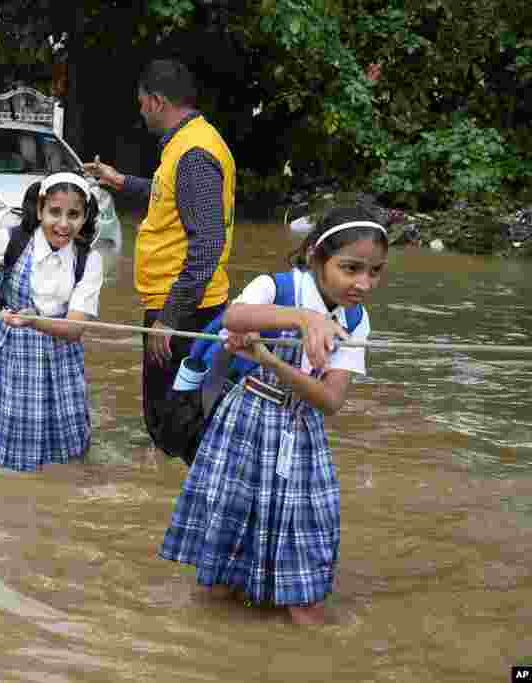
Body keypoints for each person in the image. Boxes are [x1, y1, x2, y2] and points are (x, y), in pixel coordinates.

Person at [159, 206, 388, 625]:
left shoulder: (356, 320)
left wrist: (271, 360)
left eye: (374, 272)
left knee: (308, 539)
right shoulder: (277, 288)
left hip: (302, 430)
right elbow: (234, 316)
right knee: (223, 558)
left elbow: (330, 400)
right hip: (245, 418)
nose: (362, 283)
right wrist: (305, 319)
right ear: (318, 257)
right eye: (351, 268)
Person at [83, 59, 236, 461]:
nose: (140, 111)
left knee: (173, 424)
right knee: (172, 418)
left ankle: (188, 501)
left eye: (141, 103)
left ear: (155, 101)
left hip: (186, 311)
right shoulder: (188, 145)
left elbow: (206, 245)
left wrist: (169, 319)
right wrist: (120, 182)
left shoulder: (194, 154)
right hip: (181, 305)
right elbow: (170, 196)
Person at [0, 172, 104, 470]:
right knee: (6, 449)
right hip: (9, 356)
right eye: (55, 212)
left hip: (61, 359)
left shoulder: (88, 260)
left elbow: (74, 329)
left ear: (85, 217)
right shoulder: (11, 240)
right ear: (40, 209)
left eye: (74, 214)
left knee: (67, 451)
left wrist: (33, 322)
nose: (64, 224)